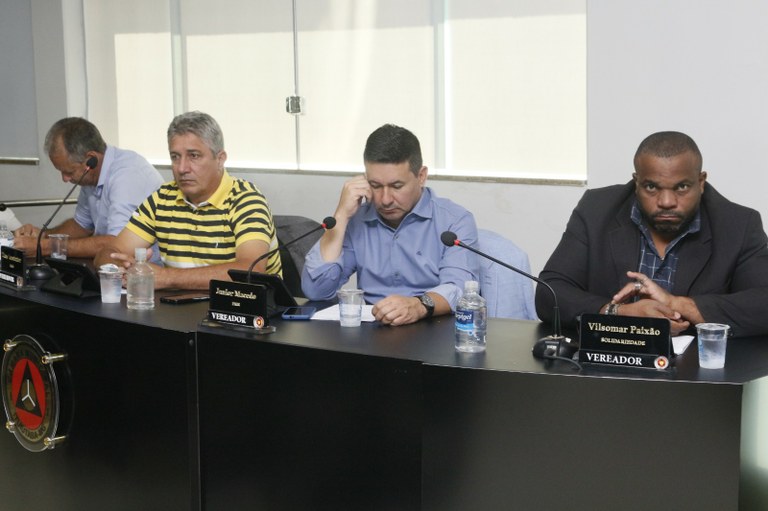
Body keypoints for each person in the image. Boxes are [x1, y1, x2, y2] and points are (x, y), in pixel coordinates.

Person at [536, 131, 768, 337]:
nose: (666, 202)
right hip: (611, 362)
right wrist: (619, 313)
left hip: (697, 368)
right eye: (651, 187)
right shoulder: (596, 210)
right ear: (636, 182)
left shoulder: (738, 225)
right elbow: (550, 293)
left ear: (701, 182)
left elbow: (762, 303)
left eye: (682, 187)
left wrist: (677, 304)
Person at [301, 123, 479, 326]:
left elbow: (459, 288)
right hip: (373, 329)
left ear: (421, 176)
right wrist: (341, 215)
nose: (385, 200)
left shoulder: (455, 220)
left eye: (396, 186)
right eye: (375, 186)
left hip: (433, 325)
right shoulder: (357, 219)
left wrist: (418, 305)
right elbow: (316, 291)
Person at [94, 111, 281, 290]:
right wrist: (121, 267)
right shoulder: (162, 199)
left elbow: (251, 271)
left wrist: (167, 278)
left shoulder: (246, 200)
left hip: (245, 309)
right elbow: (109, 252)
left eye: (194, 156)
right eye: (175, 157)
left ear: (220, 159)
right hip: (180, 309)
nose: (182, 168)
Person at [13, 117, 164, 258]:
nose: (65, 179)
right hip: (110, 267)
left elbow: (117, 244)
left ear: (91, 159)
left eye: (69, 172)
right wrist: (42, 235)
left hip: (147, 272)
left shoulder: (128, 175)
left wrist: (47, 247)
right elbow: (81, 226)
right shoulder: (92, 175)